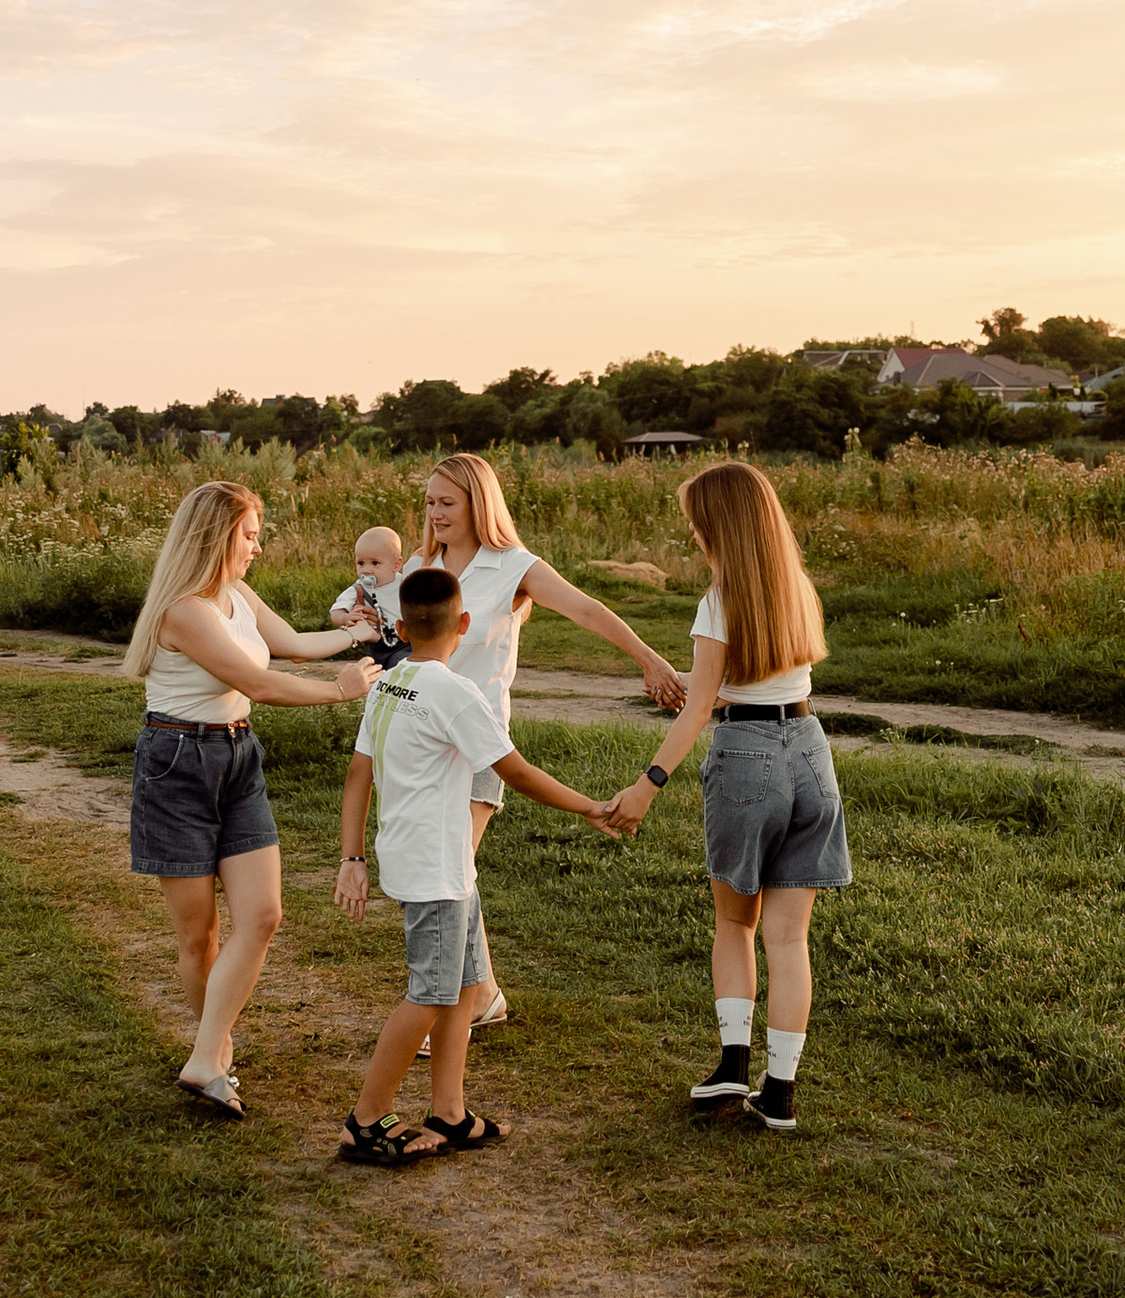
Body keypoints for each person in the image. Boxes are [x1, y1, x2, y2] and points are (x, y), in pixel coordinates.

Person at [332, 567, 621, 1165]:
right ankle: (363, 1121)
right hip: (437, 867)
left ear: (403, 628)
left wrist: (351, 857)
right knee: (430, 993)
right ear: (463, 624)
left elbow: (358, 775)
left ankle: (450, 1113)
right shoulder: (453, 692)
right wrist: (590, 807)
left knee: (462, 984)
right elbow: (514, 772)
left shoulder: (388, 682)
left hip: (435, 858)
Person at [120, 478, 381, 1122]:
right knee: (199, 933)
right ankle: (212, 1055)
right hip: (178, 762)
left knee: (263, 916)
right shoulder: (184, 610)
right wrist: (341, 692)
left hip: (237, 757)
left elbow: (291, 643)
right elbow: (260, 682)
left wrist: (357, 634)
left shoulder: (235, 595)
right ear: (218, 537)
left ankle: (207, 1057)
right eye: (249, 536)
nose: (256, 549)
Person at [406, 452, 687, 1030]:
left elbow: (585, 609)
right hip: (419, 742)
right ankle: (480, 993)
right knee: (447, 869)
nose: (434, 513)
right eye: (430, 502)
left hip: (479, 742)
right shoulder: (419, 563)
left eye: (446, 503)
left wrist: (649, 659)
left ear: (478, 505)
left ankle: (449, 1005)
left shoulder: (514, 566)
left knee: (451, 868)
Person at [609, 461, 845, 1135]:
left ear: (722, 525)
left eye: (697, 520)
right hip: (809, 750)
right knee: (790, 937)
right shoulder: (795, 587)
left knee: (735, 924)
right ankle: (780, 1095)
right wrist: (689, 680)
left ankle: (734, 1062)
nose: (691, 530)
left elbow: (701, 708)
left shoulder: (718, 599)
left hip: (745, 756)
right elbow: (749, 676)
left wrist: (647, 783)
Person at [327, 523, 411, 669]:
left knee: (400, 664)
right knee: (379, 670)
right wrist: (346, 618)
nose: (367, 570)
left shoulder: (405, 583)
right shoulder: (359, 588)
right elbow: (336, 611)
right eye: (361, 563)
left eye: (375, 563)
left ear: (396, 565)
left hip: (405, 643)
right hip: (377, 645)